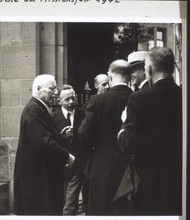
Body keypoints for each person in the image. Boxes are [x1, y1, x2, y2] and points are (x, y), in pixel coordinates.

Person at [117, 47, 182, 215]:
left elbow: (127, 144)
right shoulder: (182, 95)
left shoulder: (139, 98)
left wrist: (124, 125)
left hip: (149, 180)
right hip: (180, 178)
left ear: (149, 69)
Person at [13, 74, 75, 215]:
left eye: (55, 89)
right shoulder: (34, 109)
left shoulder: (39, 108)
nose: (55, 93)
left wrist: (62, 137)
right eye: (51, 89)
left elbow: (43, 137)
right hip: (37, 177)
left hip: (40, 174)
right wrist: (68, 157)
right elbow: (43, 142)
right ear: (39, 89)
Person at [78, 60, 133, 215]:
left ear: (109, 75)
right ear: (130, 77)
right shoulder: (138, 98)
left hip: (102, 165)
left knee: (101, 210)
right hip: (132, 166)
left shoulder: (98, 100)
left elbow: (83, 133)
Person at [52, 85, 88, 215]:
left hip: (78, 165)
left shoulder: (83, 114)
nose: (71, 102)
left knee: (70, 203)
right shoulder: (53, 118)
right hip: (60, 166)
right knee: (62, 201)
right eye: (67, 99)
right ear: (59, 101)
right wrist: (61, 136)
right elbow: (50, 141)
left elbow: (88, 138)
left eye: (73, 98)